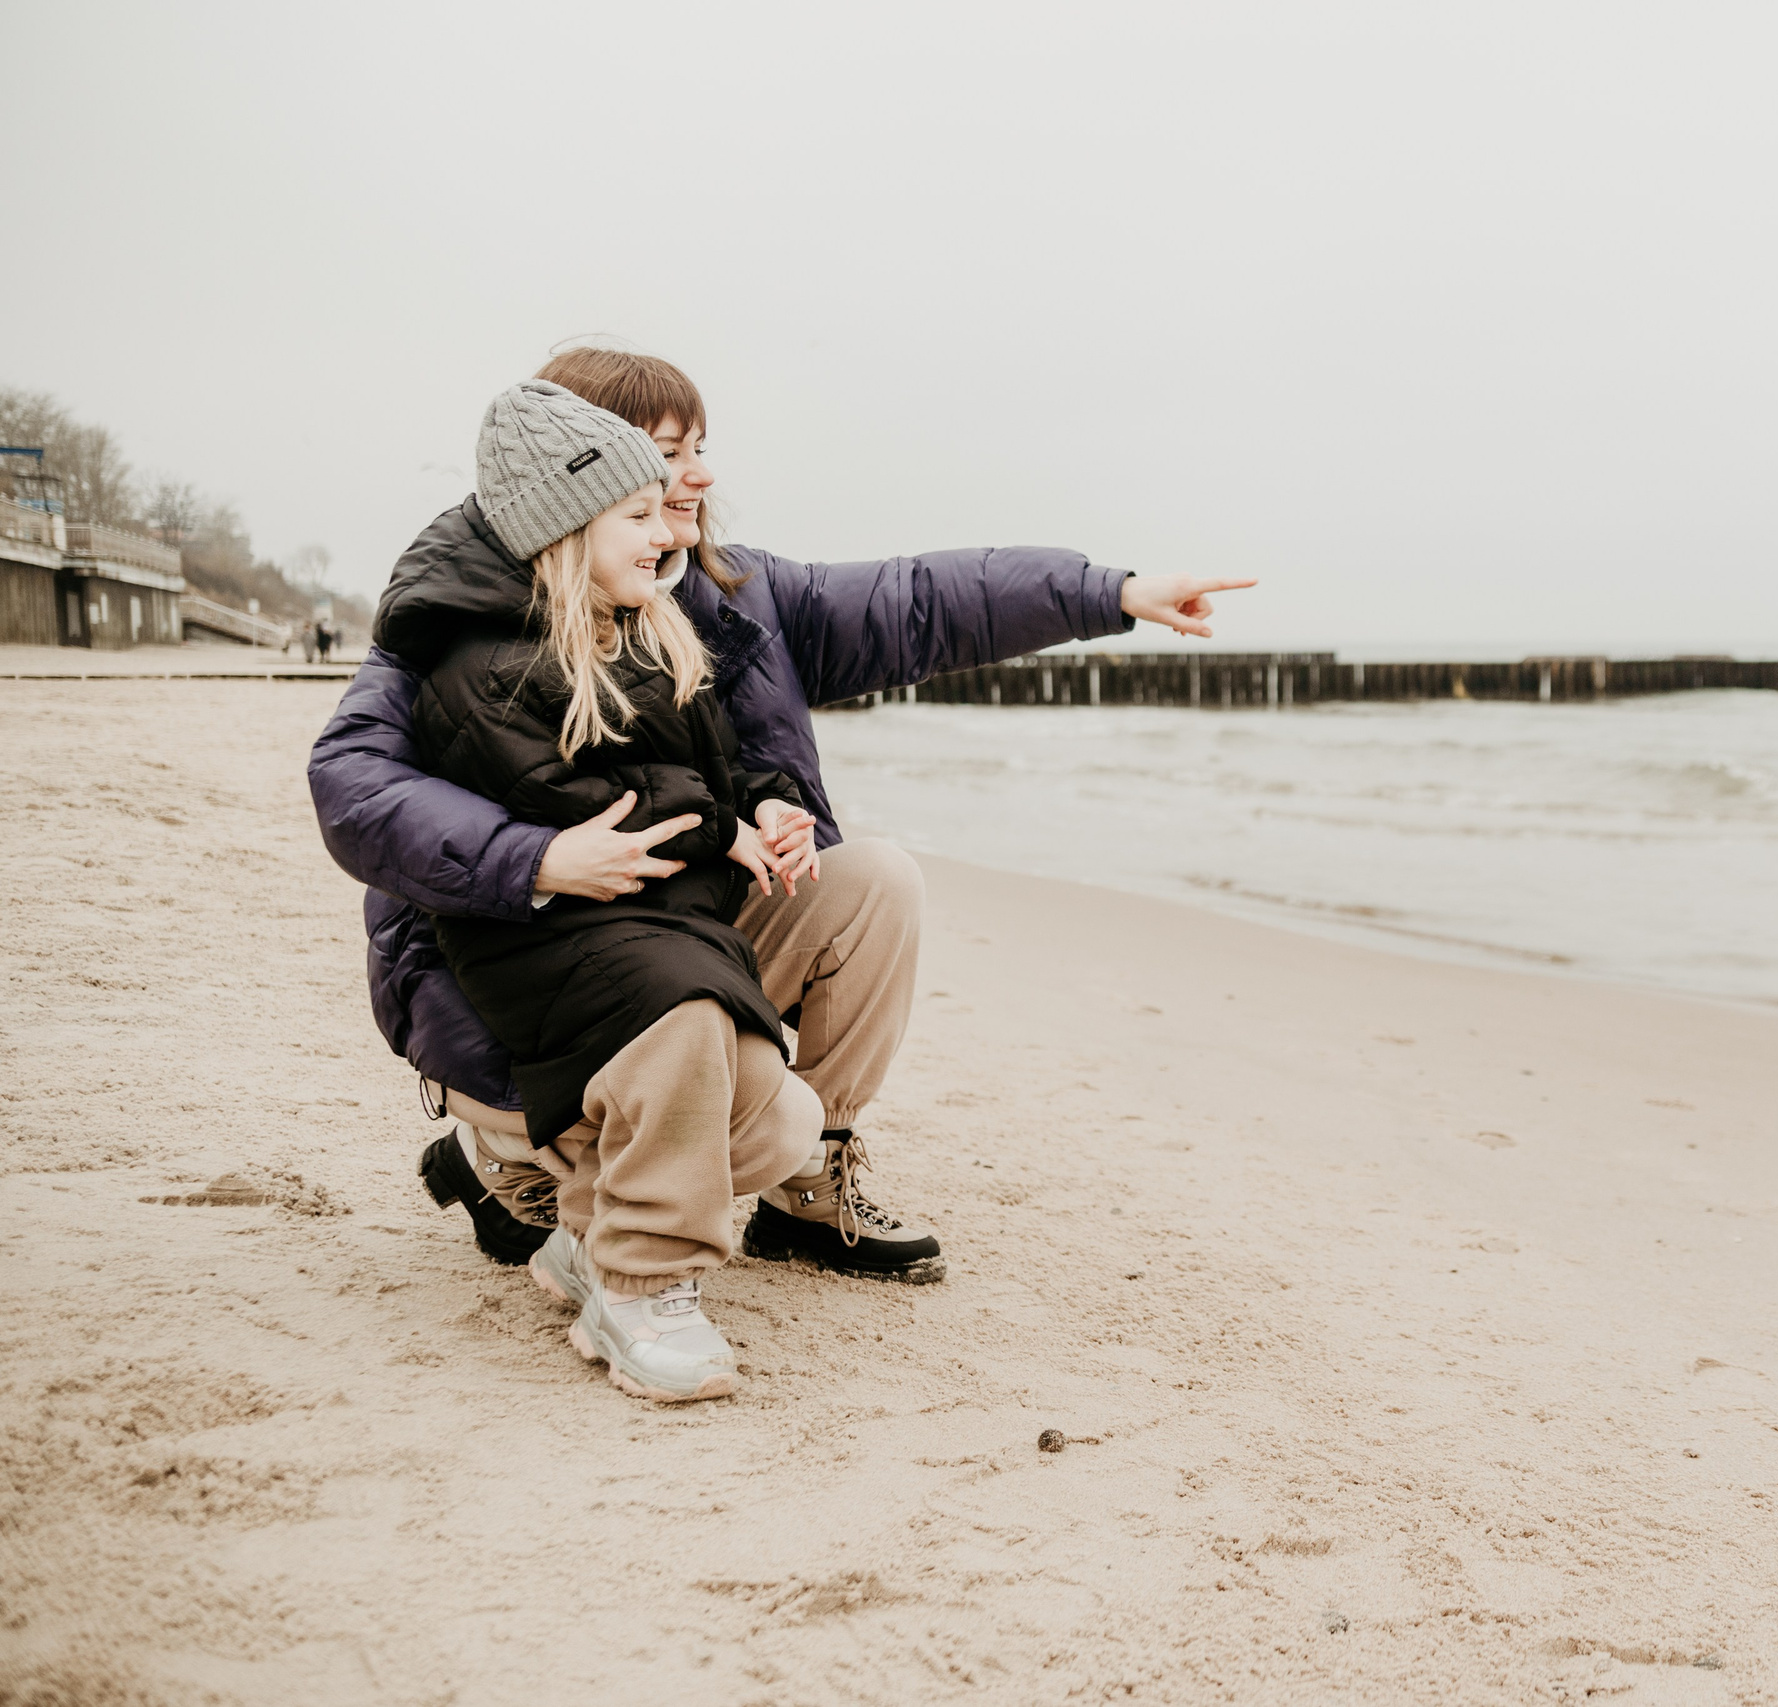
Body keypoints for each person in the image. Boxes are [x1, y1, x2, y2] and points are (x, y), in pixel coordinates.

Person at [308, 348, 1250, 1290]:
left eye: (700, 448)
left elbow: (923, 601)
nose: (701, 475)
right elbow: (353, 784)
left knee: (877, 882)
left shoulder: (734, 597)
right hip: (513, 984)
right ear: (578, 472)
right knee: (644, 1058)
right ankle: (514, 1160)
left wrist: (1111, 593)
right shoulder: (459, 616)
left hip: (684, 932)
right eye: (668, 452)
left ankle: (805, 1190)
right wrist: (538, 858)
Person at [376, 379, 841, 1401]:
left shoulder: (643, 628)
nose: (666, 532)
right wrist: (721, 828)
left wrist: (762, 803)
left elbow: (704, 765)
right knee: (682, 1019)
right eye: (635, 516)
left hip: (649, 920)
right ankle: (638, 1291)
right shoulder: (486, 664)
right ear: (561, 532)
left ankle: (587, 1242)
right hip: (542, 935)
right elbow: (596, 802)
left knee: (780, 1121)